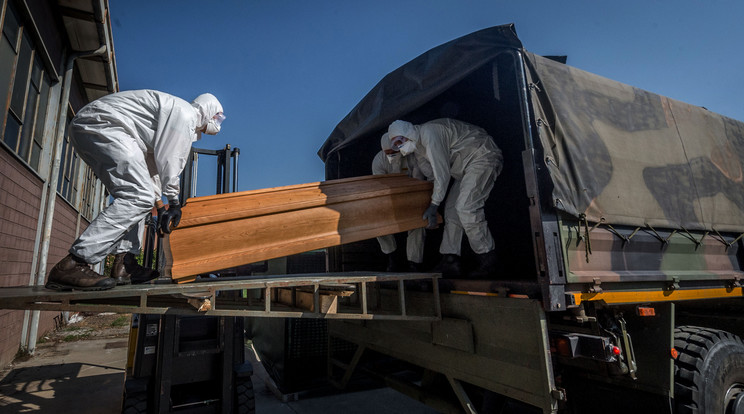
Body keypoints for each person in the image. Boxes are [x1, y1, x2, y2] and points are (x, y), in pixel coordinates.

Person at [45, 90, 225, 291]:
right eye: (219, 116)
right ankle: (72, 264)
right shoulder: (185, 114)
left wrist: (160, 205)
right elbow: (171, 160)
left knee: (142, 197)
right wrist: (173, 202)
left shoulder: (174, 117)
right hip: (105, 125)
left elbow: (151, 170)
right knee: (138, 197)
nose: (219, 122)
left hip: (101, 126)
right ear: (209, 110)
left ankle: (125, 264)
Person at [388, 118, 503, 278]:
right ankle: (450, 260)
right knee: (451, 211)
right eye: (396, 144)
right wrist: (426, 205)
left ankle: (488, 260)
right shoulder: (419, 149)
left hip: (482, 156)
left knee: (466, 208)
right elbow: (432, 178)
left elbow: (442, 174)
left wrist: (434, 205)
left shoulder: (429, 132)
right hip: (463, 169)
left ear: (408, 133)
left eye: (400, 140)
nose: (400, 146)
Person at [371, 134, 432, 272]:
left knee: (418, 224)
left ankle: (414, 263)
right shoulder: (378, 160)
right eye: (388, 153)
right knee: (376, 223)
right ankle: (392, 257)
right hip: (388, 200)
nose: (391, 155)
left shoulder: (413, 157)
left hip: (412, 198)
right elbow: (380, 187)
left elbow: (419, 181)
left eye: (394, 152)